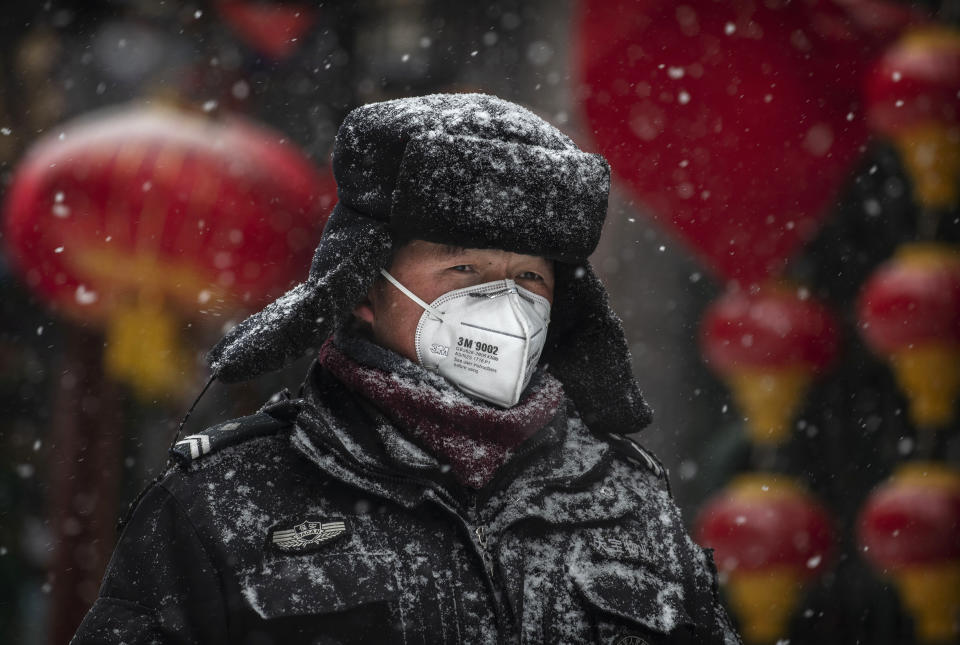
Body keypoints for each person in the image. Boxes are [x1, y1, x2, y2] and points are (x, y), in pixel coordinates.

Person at [73, 93, 741, 644]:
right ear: (363, 287)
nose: (504, 306)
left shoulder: (625, 499)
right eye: (465, 270)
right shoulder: (226, 501)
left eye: (528, 277)